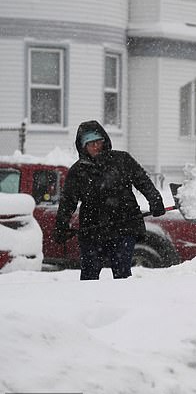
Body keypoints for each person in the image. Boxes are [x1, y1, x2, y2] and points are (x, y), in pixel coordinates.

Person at [53, 120, 165, 280]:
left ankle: (121, 303)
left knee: (122, 273)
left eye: (99, 141)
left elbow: (143, 181)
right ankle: (90, 304)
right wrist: (61, 226)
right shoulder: (78, 171)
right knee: (89, 276)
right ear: (83, 147)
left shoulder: (122, 160)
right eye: (91, 144)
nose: (96, 146)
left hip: (124, 226)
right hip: (92, 229)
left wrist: (155, 200)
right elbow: (67, 202)